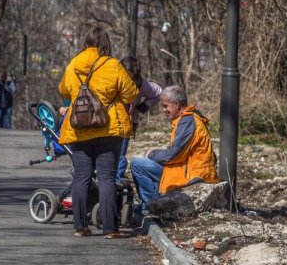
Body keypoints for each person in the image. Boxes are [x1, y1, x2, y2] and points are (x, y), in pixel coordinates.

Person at [58, 27, 139, 238]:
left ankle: (80, 226)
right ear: (105, 44)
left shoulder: (73, 64)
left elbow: (63, 90)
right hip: (108, 128)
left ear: (86, 42)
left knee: (81, 176)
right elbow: (131, 93)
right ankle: (111, 229)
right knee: (106, 178)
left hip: (79, 127)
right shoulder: (113, 65)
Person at [130, 85, 220, 214]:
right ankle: (155, 201)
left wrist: (151, 154)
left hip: (192, 173)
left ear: (176, 104)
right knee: (145, 162)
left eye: (165, 106)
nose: (163, 110)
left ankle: (152, 205)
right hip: (188, 168)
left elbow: (172, 156)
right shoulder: (188, 118)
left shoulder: (187, 122)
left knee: (138, 164)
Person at [117, 56, 162, 183]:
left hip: (126, 124)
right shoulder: (112, 80)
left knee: (120, 155)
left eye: (129, 77)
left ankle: (116, 180)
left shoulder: (142, 85)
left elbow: (159, 92)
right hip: (108, 123)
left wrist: (140, 108)